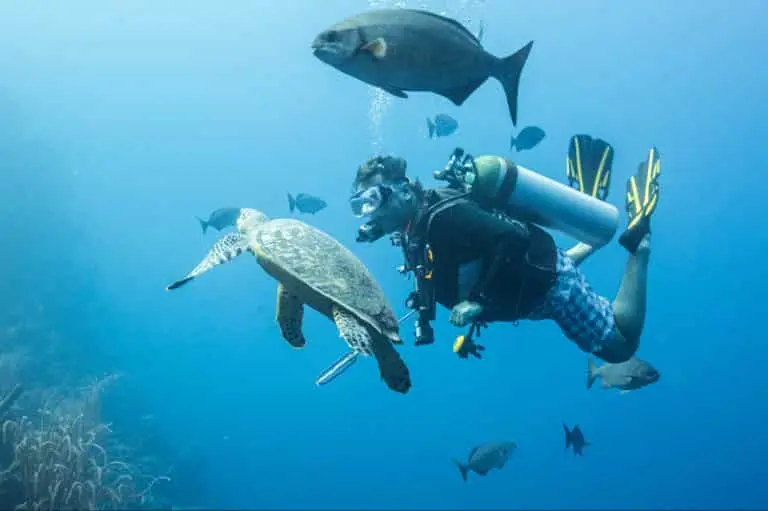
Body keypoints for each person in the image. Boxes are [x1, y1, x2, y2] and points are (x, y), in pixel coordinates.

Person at [347, 135, 661, 363]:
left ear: (402, 189)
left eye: (373, 199)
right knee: (562, 273)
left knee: (620, 348)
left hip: (550, 286)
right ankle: (587, 236)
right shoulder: (415, 228)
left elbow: (511, 237)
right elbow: (464, 266)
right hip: (530, 282)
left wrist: (477, 302)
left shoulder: (443, 217)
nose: (370, 213)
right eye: (361, 206)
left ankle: (639, 247)